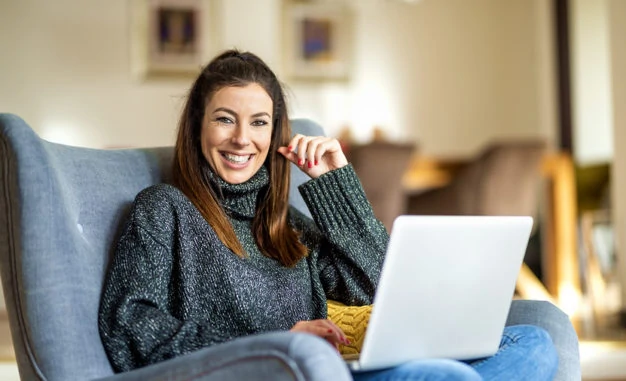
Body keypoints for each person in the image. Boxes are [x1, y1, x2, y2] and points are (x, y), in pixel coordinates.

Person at [98, 49, 558, 380]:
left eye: (258, 122)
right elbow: (131, 327)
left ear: (275, 133)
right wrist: (277, 338)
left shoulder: (287, 226)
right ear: (196, 127)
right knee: (443, 377)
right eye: (224, 118)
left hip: (340, 372)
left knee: (535, 345)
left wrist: (336, 184)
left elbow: (377, 286)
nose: (242, 138)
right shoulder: (165, 209)